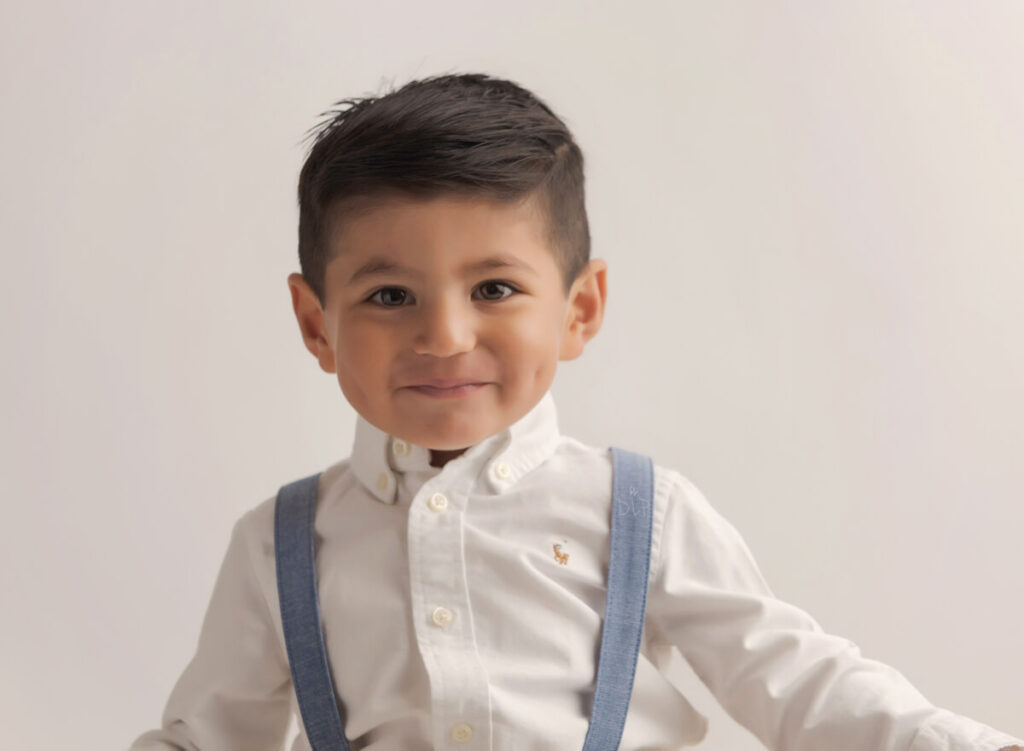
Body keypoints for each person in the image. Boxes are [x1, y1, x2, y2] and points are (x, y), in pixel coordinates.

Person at [127, 72, 1023, 751]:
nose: (444, 335)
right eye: (391, 295)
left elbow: (787, 674)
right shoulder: (280, 542)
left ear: (579, 310)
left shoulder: (639, 512)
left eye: (493, 287)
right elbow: (205, 739)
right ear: (316, 325)